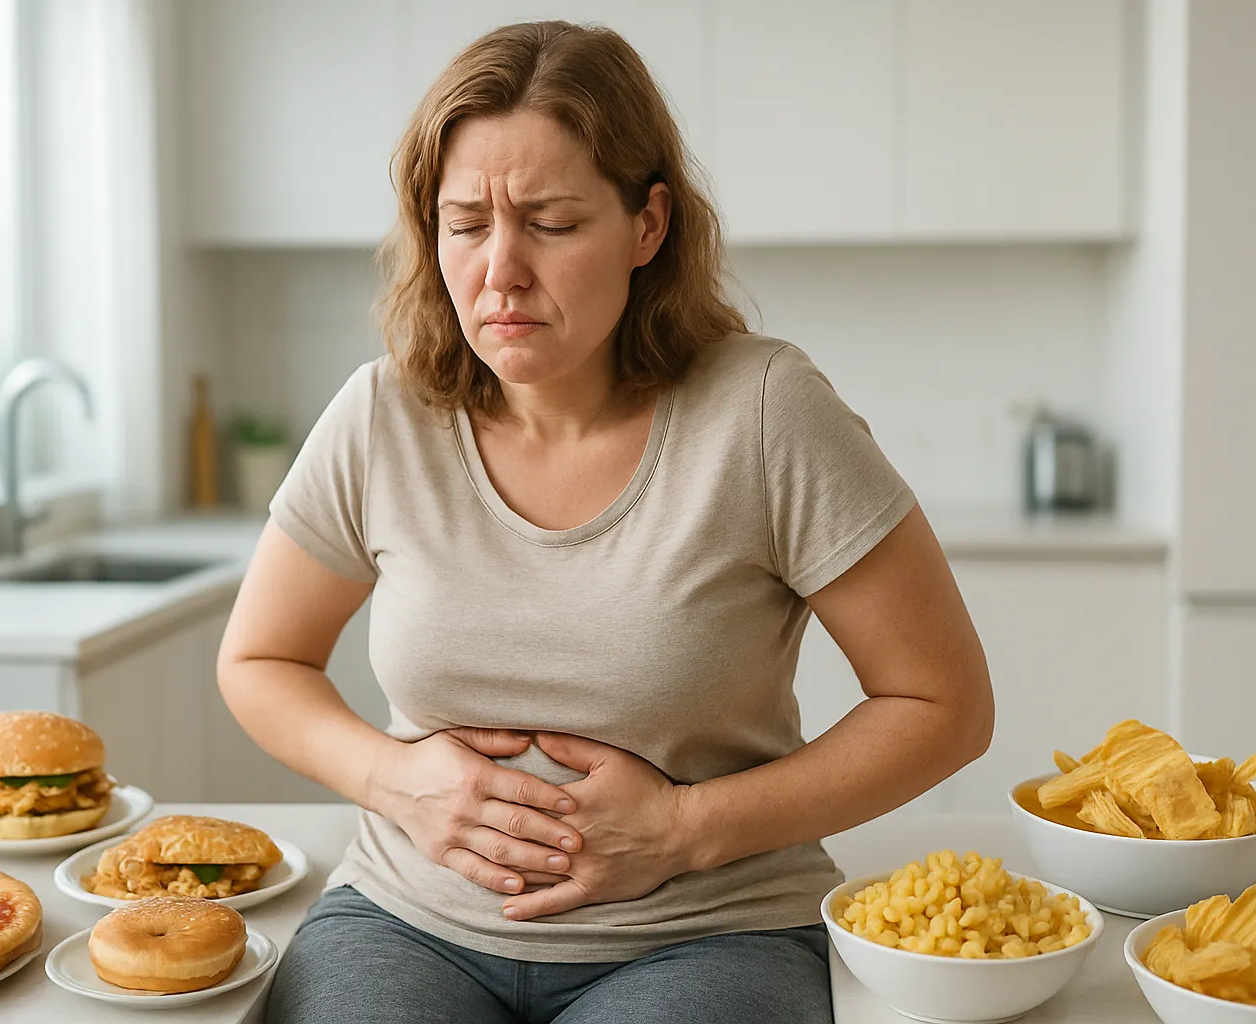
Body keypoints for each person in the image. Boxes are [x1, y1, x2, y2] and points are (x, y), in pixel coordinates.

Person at [218, 20, 994, 1024]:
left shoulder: (764, 411)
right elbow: (260, 661)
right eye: (466, 222)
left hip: (713, 930)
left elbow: (945, 703)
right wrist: (396, 780)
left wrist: (684, 826)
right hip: (408, 921)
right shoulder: (382, 414)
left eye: (550, 221)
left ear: (648, 225)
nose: (501, 269)